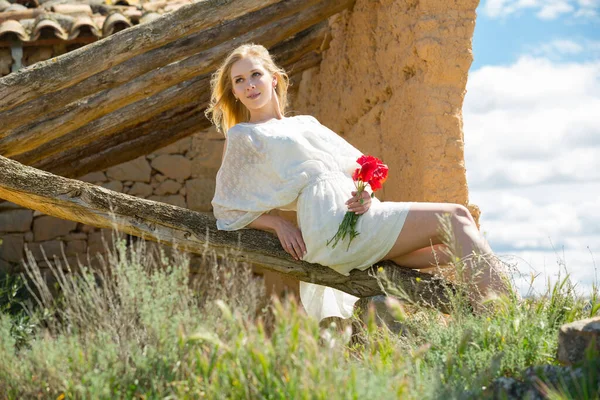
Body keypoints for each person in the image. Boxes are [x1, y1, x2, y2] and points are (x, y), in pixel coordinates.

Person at [208, 44, 512, 321]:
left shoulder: (306, 123)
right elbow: (226, 207)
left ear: (273, 78)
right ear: (233, 92)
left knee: (458, 246)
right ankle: (507, 319)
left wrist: (365, 194)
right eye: (239, 81)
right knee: (457, 217)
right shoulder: (243, 136)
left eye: (255, 75)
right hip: (328, 225)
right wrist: (277, 224)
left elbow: (360, 168)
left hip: (360, 216)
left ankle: (491, 319)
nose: (249, 85)